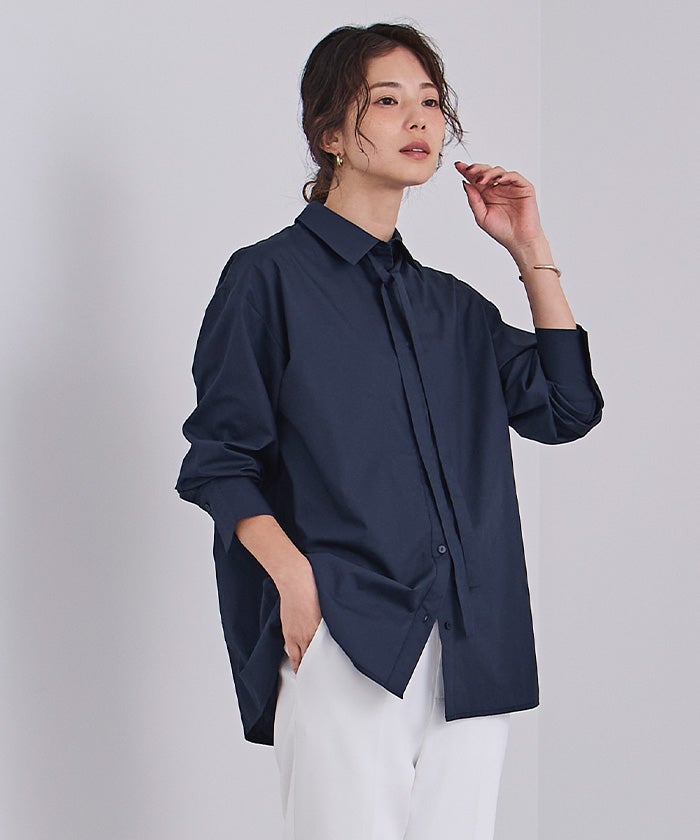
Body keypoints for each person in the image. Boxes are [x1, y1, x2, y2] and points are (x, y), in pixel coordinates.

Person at [175, 22, 604, 840]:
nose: (419, 119)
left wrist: (530, 250)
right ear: (330, 135)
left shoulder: (453, 308)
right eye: (387, 99)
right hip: (349, 634)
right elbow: (220, 460)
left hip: (474, 645)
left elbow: (566, 407)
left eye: (431, 102)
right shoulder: (267, 279)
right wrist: (297, 582)